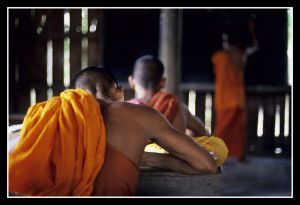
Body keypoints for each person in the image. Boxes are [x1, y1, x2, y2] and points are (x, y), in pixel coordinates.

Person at [9, 66, 217, 196]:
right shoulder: (141, 115)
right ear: (119, 93)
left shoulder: (49, 113)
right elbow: (206, 165)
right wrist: (150, 159)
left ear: (72, 94)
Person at [211, 20, 258, 161]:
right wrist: (252, 30)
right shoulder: (241, 55)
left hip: (224, 100)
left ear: (226, 42)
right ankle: (240, 156)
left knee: (221, 129)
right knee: (238, 129)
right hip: (237, 98)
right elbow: (255, 47)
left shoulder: (218, 57)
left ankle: (216, 155)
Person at [127, 55, 208, 137]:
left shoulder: (125, 109)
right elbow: (203, 132)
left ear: (131, 80)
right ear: (163, 82)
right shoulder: (177, 107)